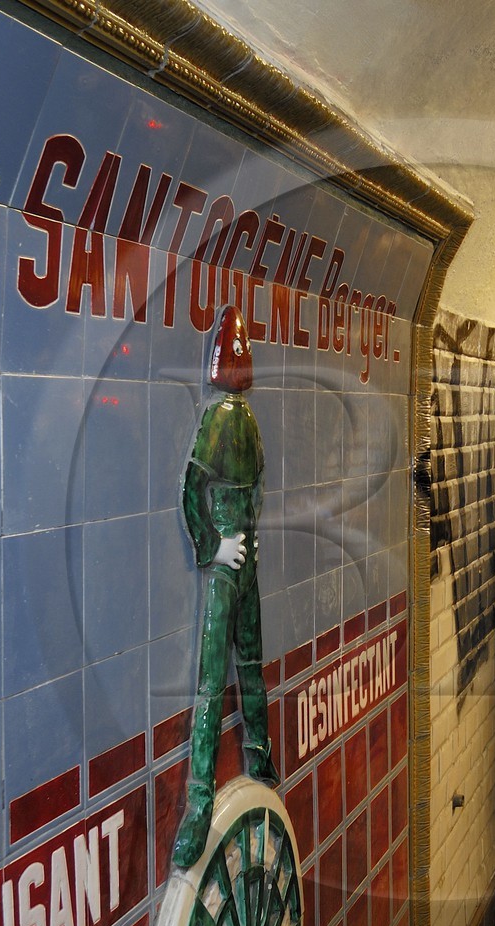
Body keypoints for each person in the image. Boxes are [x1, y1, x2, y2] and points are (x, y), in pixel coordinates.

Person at [173, 305, 279, 867]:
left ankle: (258, 757)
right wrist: (215, 546)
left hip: (240, 557)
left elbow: (251, 485)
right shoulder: (222, 420)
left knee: (242, 667)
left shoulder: (239, 419)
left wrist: (236, 539)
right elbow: (193, 491)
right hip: (229, 562)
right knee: (219, 676)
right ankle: (200, 802)